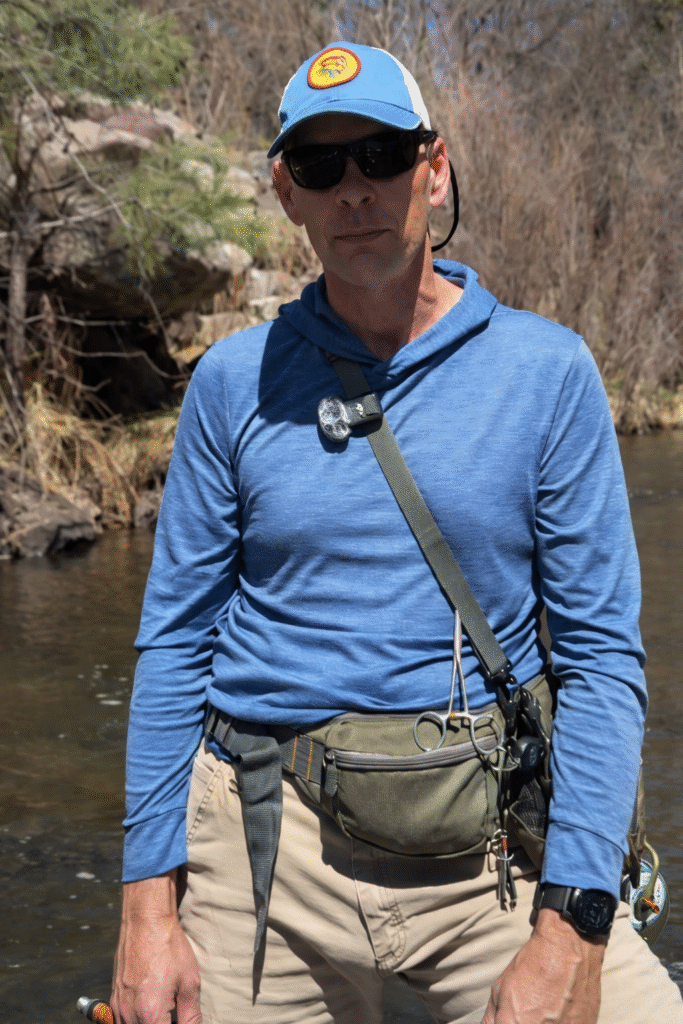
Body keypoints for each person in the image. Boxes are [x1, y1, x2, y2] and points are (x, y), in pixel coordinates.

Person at [111, 42, 683, 1024]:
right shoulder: (227, 384)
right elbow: (174, 641)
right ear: (286, 194)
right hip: (263, 841)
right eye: (322, 168)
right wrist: (144, 911)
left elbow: (597, 661)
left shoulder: (545, 374)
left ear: (434, 167)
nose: (354, 191)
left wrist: (572, 923)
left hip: (485, 855)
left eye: (379, 155)